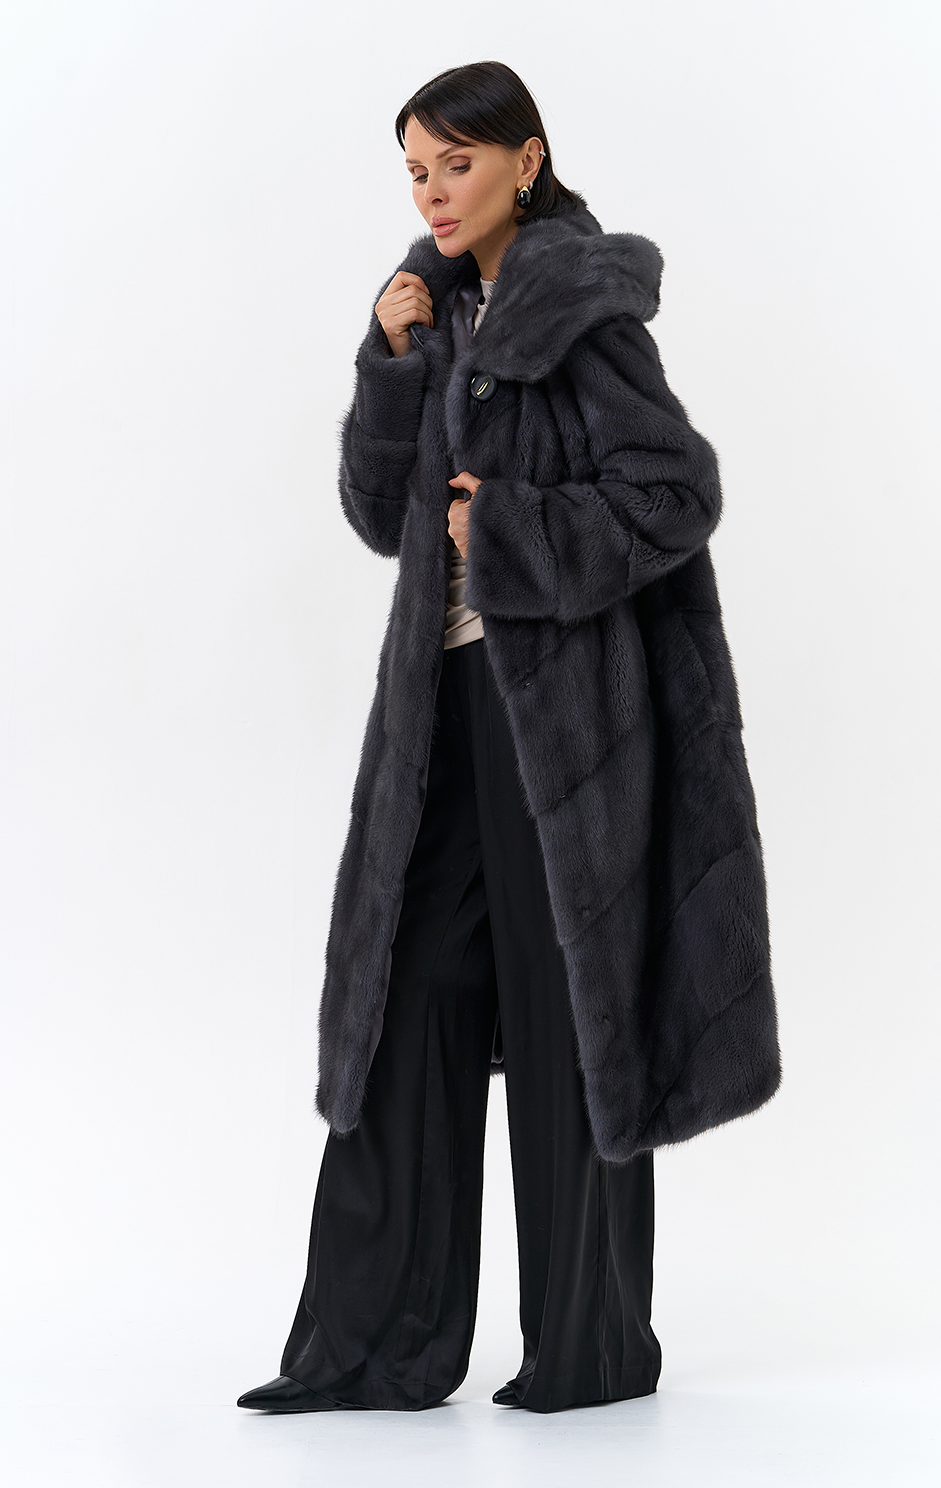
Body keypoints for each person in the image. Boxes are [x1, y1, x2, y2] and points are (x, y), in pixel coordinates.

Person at [238, 60, 781, 1416]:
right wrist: (390, 367)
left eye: (457, 165)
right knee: (409, 1000)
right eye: (416, 171)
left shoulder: (580, 314)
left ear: (526, 160)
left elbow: (675, 491)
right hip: (443, 713)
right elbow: (384, 519)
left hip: (567, 723)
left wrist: (514, 531)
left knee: (565, 1019)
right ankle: (376, 1349)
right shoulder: (438, 312)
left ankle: (587, 1352)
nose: (432, 192)